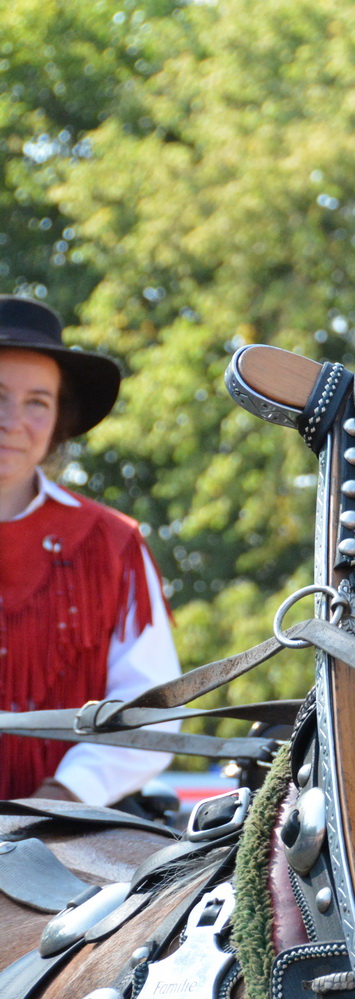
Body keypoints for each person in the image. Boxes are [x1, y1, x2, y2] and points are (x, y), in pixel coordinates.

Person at [0, 296, 180, 802]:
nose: (14, 420)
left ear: (58, 419)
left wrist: (60, 799)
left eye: (38, 401)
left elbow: (149, 706)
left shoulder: (111, 543)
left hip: (66, 848)